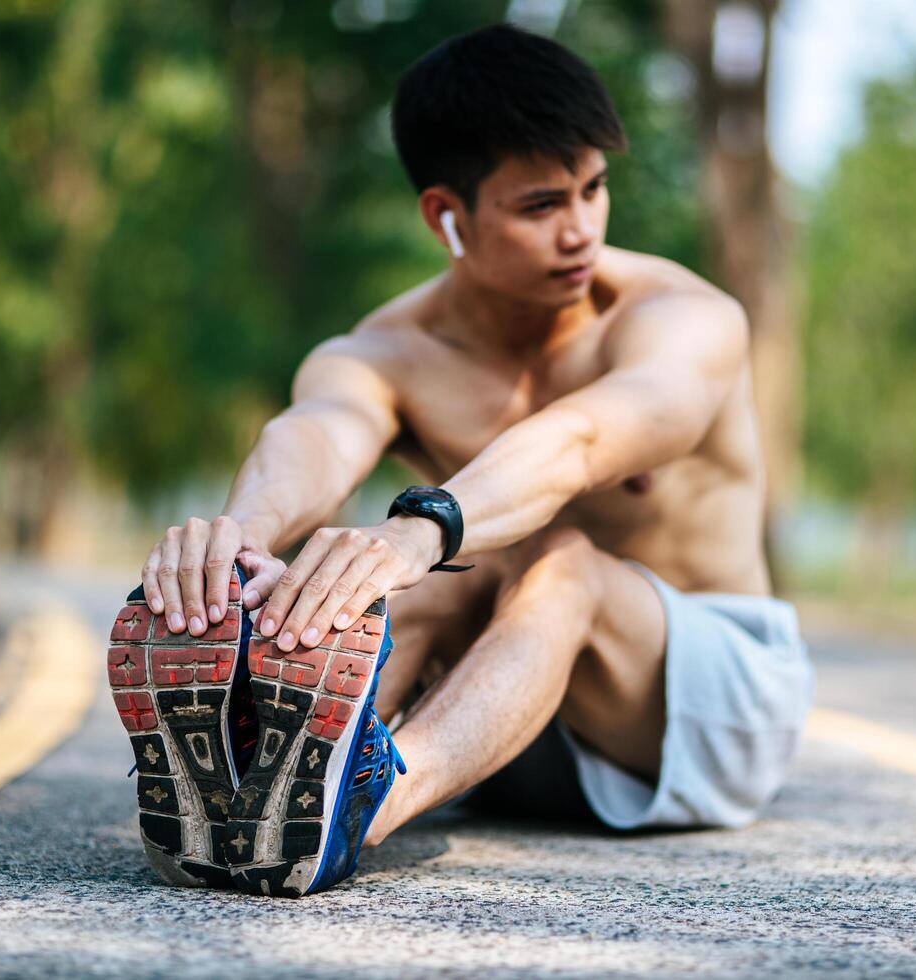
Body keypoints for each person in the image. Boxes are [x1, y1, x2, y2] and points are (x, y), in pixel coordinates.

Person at [115, 22, 813, 897]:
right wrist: (239, 540)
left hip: (707, 718)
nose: (580, 231)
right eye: (539, 206)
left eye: (592, 191)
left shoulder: (682, 317)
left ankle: (354, 814)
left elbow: (580, 442)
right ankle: (261, 788)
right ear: (446, 215)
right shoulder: (387, 350)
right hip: (501, 722)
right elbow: (319, 431)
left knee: (553, 559)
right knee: (376, 569)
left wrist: (421, 530)